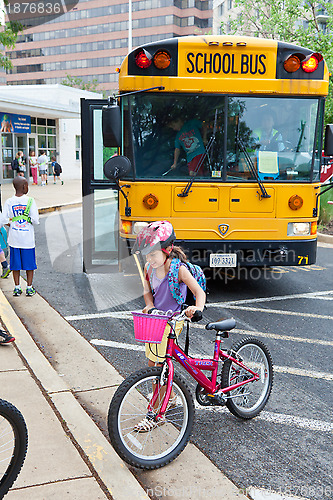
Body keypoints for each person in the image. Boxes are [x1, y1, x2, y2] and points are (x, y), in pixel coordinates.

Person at [132, 220, 206, 432]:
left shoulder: (178, 270)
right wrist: (149, 305)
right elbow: (147, 291)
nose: (150, 259)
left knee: (158, 367)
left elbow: (199, 292)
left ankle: (155, 415)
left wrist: (197, 308)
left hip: (173, 321)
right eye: (147, 255)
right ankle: (170, 396)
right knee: (152, 363)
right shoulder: (149, 267)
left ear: (168, 250)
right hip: (155, 320)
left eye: (153, 254)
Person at [0, 176, 39, 297]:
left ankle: (17, 287)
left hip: (14, 238)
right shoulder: (30, 201)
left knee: (15, 264)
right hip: (27, 239)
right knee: (29, 264)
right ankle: (29, 287)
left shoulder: (9, 202)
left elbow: (3, 220)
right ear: (24, 187)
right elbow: (36, 220)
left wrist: (12, 223)